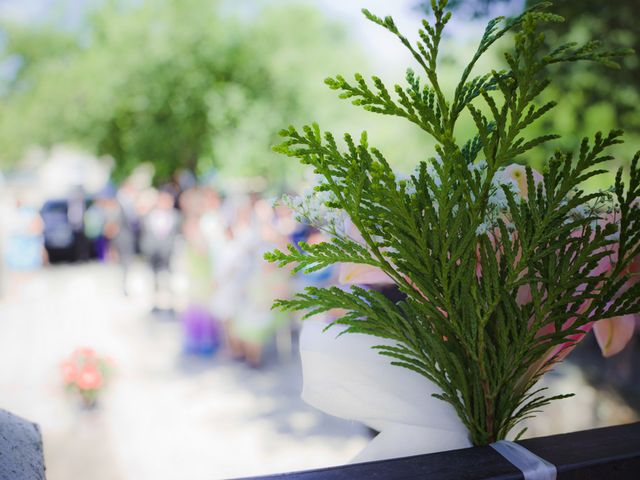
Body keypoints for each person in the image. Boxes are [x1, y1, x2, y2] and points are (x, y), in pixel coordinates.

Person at [140, 187, 180, 312]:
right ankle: (155, 304)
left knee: (169, 280)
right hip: (154, 252)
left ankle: (171, 305)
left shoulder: (176, 216)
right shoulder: (149, 215)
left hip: (169, 253)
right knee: (154, 279)